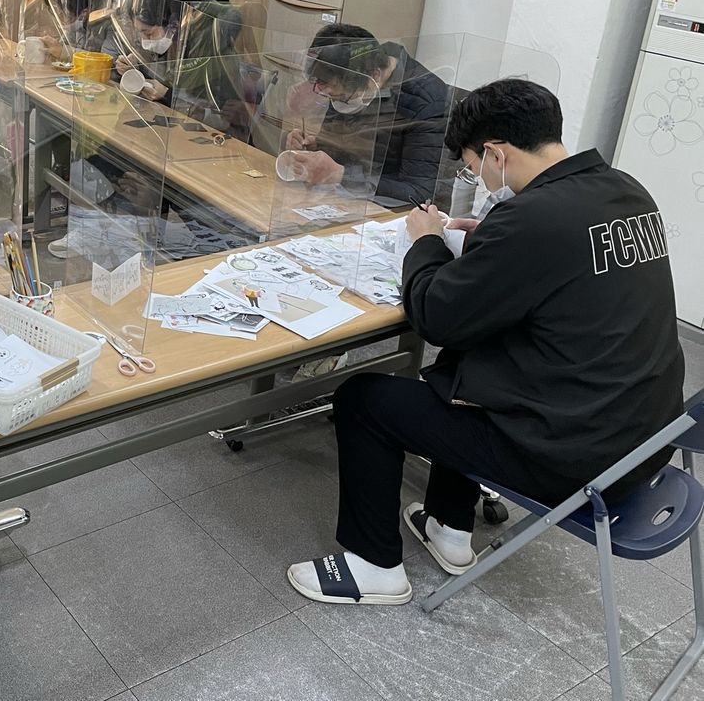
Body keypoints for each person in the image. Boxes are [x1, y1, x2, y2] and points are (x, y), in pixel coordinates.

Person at [287, 79, 684, 606]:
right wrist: (490, 243)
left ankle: (374, 566)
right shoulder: (625, 189)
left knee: (365, 399)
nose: (478, 177)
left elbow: (436, 317)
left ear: (496, 152)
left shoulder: (531, 217)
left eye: (475, 166)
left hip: (574, 456)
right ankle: (449, 529)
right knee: (467, 365)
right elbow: (562, 275)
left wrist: (427, 242)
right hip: (644, 439)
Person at [284, 24, 456, 207]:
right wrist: (315, 146)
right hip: (347, 198)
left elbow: (420, 192)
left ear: (374, 76)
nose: (334, 100)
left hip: (393, 211)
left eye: (342, 97)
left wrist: (340, 174)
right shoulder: (350, 71)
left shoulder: (426, 101)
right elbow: (343, 146)